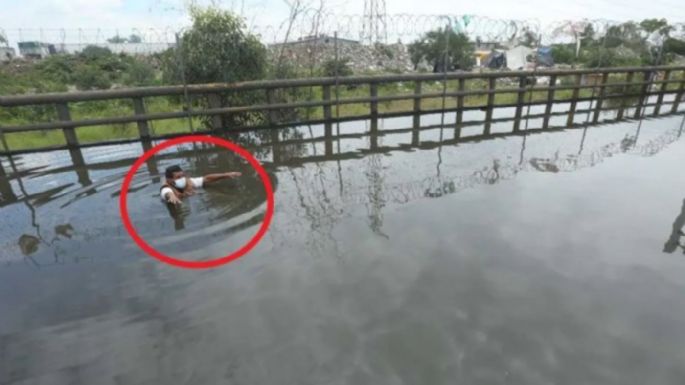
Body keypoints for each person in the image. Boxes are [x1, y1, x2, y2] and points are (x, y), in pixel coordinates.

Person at [161, 165, 241, 205]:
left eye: (183, 175)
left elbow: (206, 179)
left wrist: (225, 175)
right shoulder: (166, 188)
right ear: (169, 180)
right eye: (178, 177)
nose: (182, 178)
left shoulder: (189, 182)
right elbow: (167, 193)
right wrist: (171, 196)